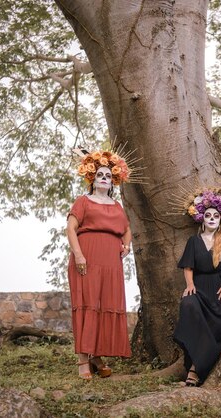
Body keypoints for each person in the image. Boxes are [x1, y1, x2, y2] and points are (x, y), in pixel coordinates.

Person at [67, 149, 134, 380]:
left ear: (112, 181)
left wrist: (126, 246)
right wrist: (78, 255)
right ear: (92, 180)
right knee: (87, 305)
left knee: (105, 304)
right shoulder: (83, 201)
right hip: (87, 257)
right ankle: (83, 360)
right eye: (99, 175)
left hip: (111, 263)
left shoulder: (117, 206)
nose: (104, 178)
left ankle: (97, 357)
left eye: (107, 175)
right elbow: (70, 229)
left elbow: (126, 231)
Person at [173, 188, 221, 386]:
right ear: (201, 218)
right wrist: (190, 285)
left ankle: (195, 369)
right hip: (199, 287)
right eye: (208, 215)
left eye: (215, 215)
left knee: (214, 325)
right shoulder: (193, 241)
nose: (211, 219)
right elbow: (188, 267)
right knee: (188, 306)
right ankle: (196, 363)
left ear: (220, 218)